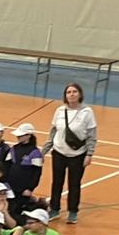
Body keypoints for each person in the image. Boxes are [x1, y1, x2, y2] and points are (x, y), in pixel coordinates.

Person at [42, 82, 97, 223]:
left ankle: (73, 211)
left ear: (80, 94)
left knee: (74, 184)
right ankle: (54, 209)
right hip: (59, 152)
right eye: (68, 92)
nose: (71, 94)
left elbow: (91, 135)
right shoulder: (60, 111)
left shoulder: (87, 112)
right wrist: (44, 151)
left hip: (78, 155)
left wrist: (89, 154)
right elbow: (53, 132)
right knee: (57, 182)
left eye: (74, 92)